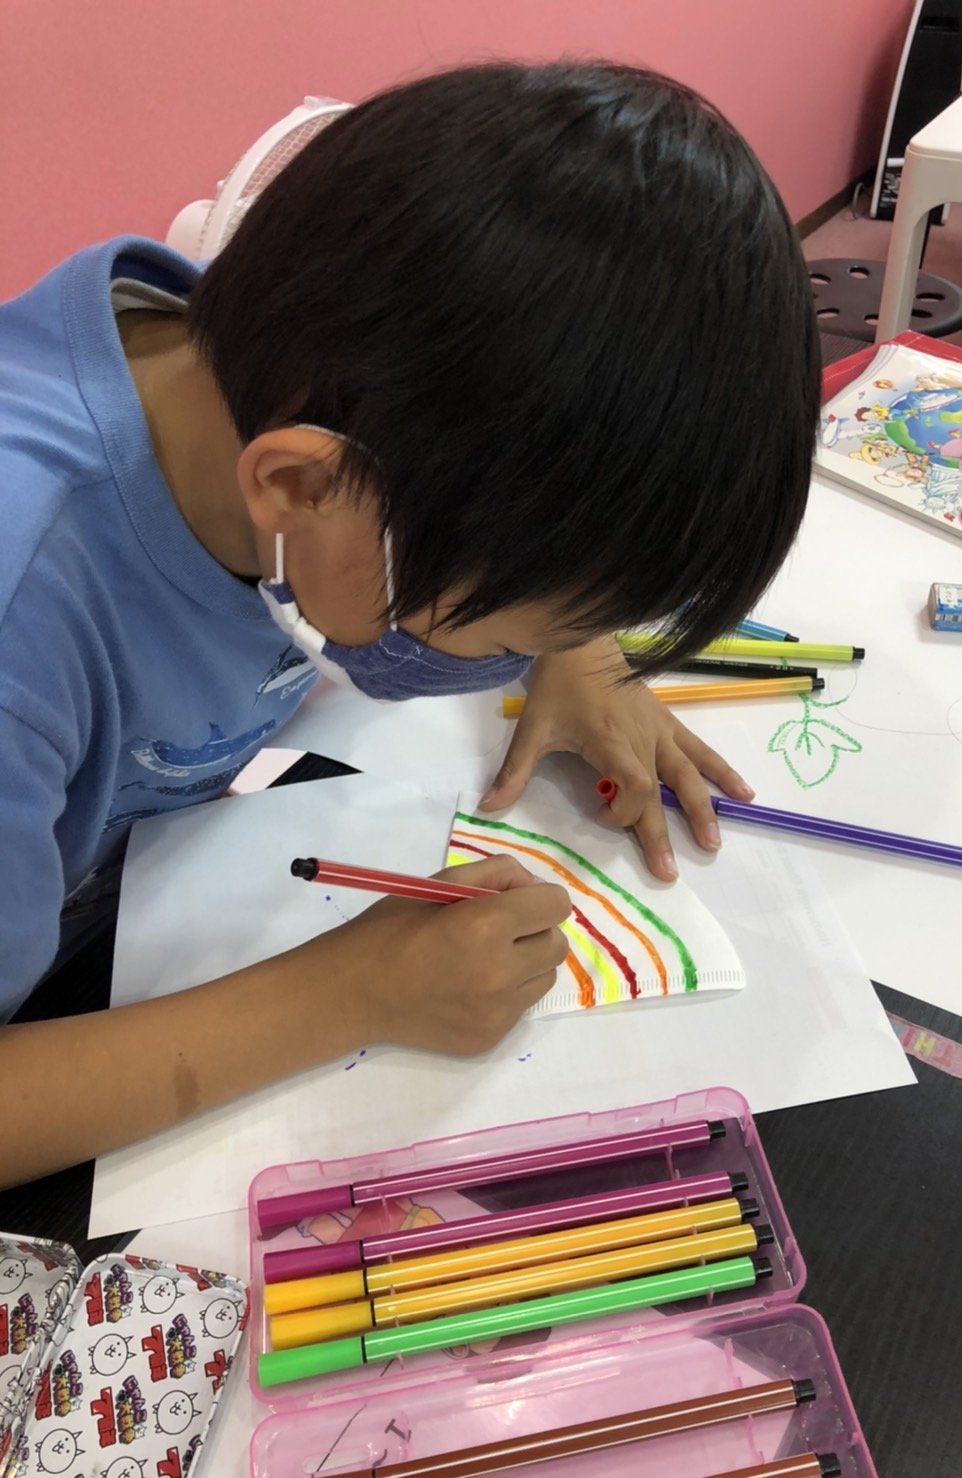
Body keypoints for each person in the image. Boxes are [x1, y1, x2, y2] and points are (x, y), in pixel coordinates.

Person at [0, 60, 819, 1187]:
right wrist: (351, 993)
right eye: (503, 641)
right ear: (297, 487)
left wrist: (583, 652)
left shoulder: (280, 335)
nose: (517, 664)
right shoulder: (24, 622)